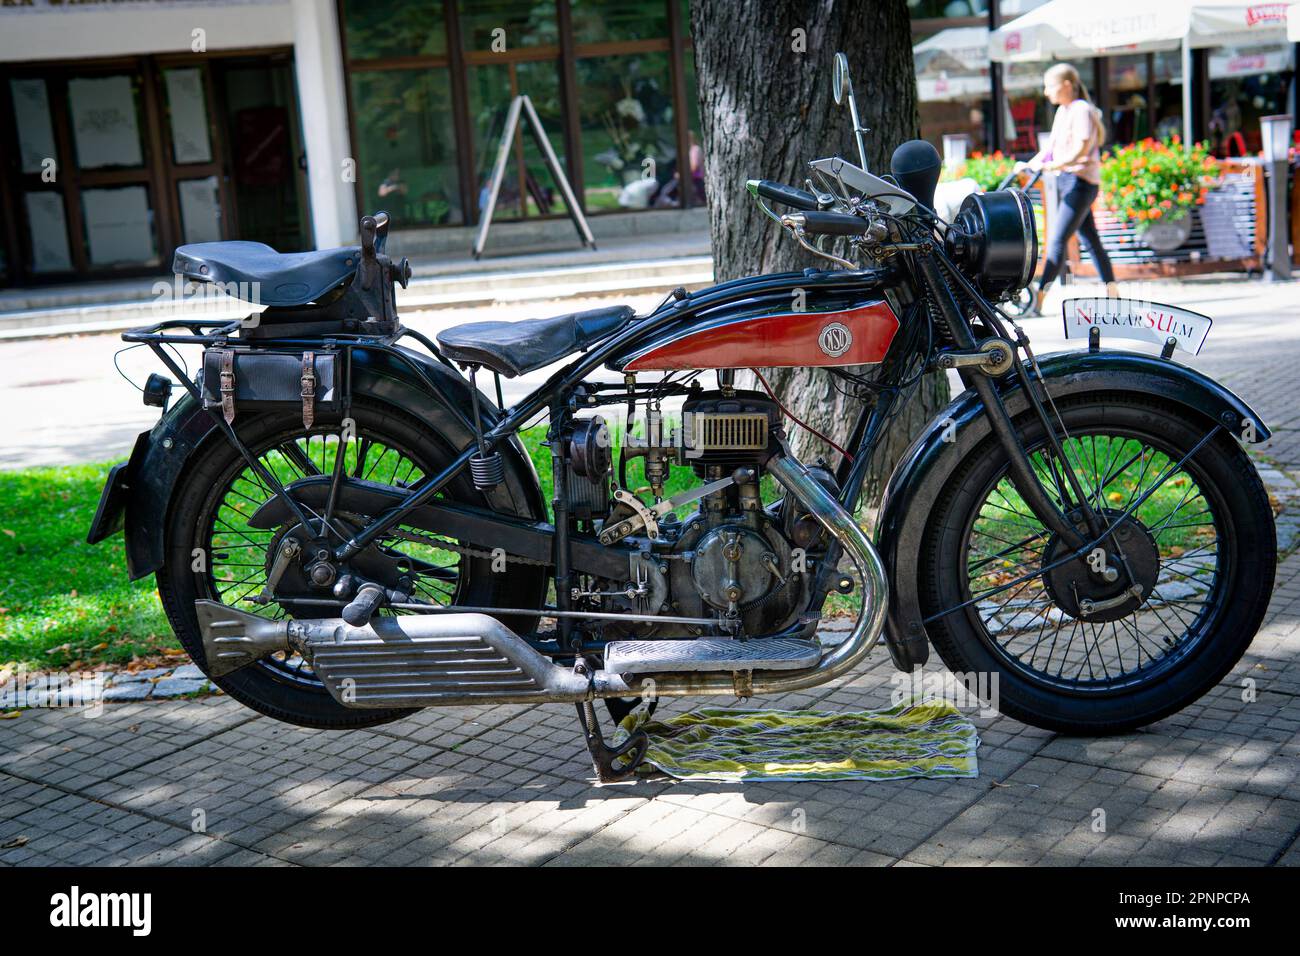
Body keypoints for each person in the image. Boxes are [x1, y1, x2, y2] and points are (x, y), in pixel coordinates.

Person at [1017, 63, 1118, 315]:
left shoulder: (1082, 109)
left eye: (1049, 86)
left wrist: (1058, 164)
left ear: (1066, 85)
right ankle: (1114, 293)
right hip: (1068, 181)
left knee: (1057, 240)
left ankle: (1039, 299)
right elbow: (1049, 149)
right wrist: (1030, 165)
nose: (1046, 92)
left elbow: (1081, 148)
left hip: (1080, 182)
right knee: (1090, 240)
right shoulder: (1063, 111)